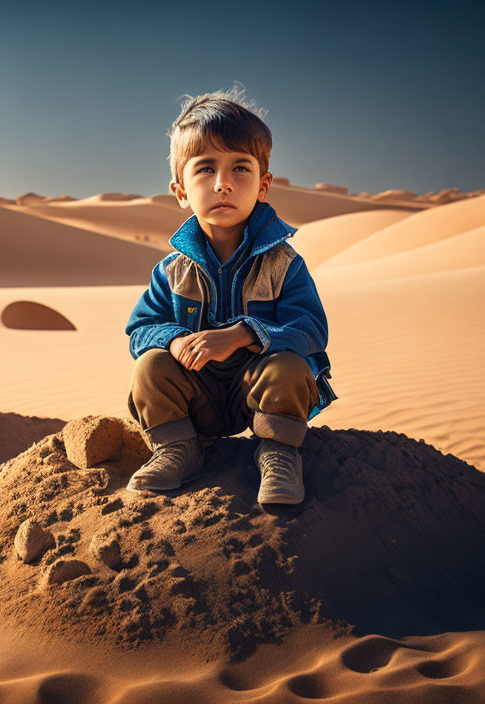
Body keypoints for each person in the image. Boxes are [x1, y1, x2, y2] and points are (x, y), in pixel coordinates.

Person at [124, 86, 337, 505]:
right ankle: (178, 449)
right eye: (205, 169)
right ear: (181, 190)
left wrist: (243, 334)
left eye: (240, 168)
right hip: (196, 395)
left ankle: (278, 452)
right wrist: (174, 339)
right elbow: (140, 329)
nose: (223, 184)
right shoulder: (170, 271)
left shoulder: (283, 263)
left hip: (257, 391)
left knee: (292, 366)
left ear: (263, 184)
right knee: (150, 367)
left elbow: (310, 329)